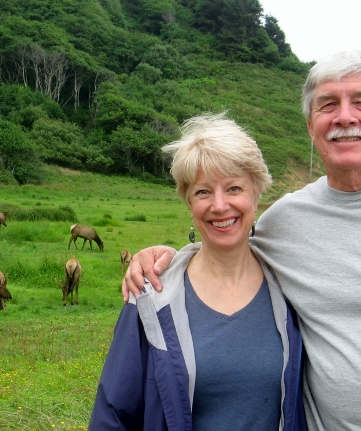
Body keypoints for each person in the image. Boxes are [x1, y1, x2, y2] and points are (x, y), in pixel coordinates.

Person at [123, 50, 361, 431]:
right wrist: (164, 259)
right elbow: (228, 244)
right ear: (311, 126)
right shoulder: (284, 222)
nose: (345, 116)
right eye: (328, 104)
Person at [89, 112, 306, 430]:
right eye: (204, 192)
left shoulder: (291, 287)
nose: (219, 206)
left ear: (257, 194)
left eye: (234, 188)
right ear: (188, 201)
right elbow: (113, 415)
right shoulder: (151, 296)